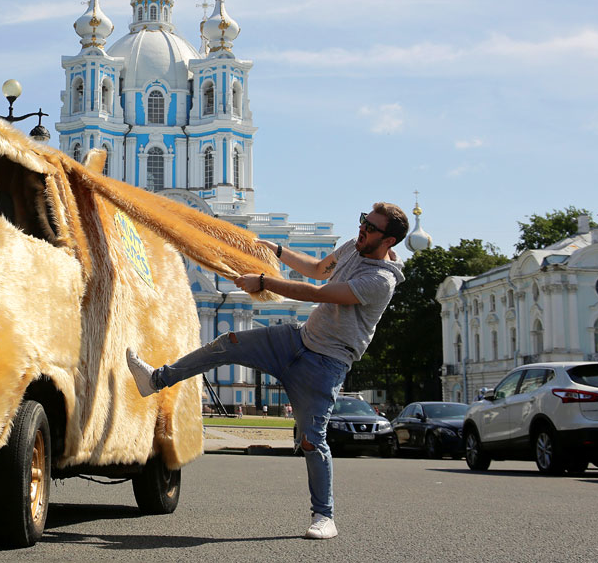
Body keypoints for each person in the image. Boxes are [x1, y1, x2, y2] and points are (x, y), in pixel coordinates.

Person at [127, 202, 408, 540]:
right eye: (364, 220)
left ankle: (324, 517)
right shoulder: (354, 245)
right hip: (297, 339)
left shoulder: (380, 280)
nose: (363, 228)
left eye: (372, 228)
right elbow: (318, 269)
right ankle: (156, 379)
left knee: (311, 440)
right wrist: (276, 250)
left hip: (325, 363)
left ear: (388, 241)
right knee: (227, 343)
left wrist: (264, 280)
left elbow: (319, 292)